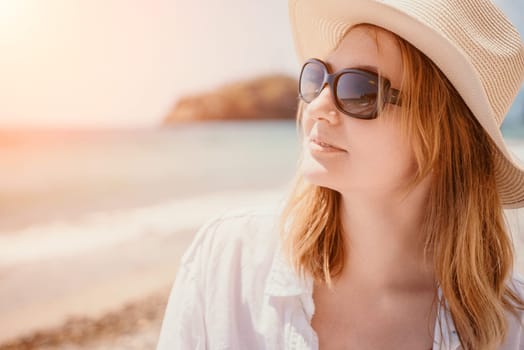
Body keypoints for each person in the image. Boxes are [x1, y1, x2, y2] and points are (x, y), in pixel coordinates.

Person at [156, 0, 524, 349]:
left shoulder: (510, 330)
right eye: (318, 78)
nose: (317, 107)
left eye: (359, 90)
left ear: (443, 137)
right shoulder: (228, 264)